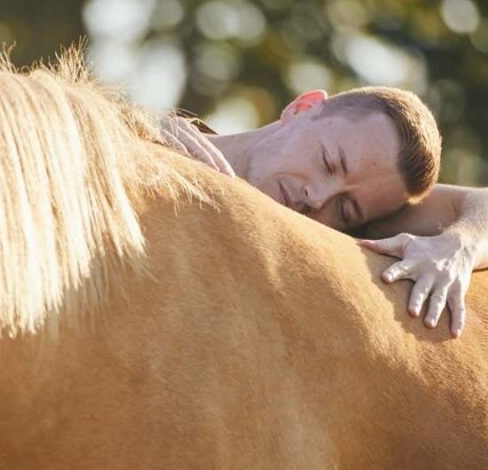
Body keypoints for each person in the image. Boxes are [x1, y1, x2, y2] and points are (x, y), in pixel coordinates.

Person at [161, 87, 488, 337]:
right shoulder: (147, 135)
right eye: (329, 162)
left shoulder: (365, 212)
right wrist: (137, 138)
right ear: (302, 108)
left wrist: (461, 245)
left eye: (345, 209)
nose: (317, 198)